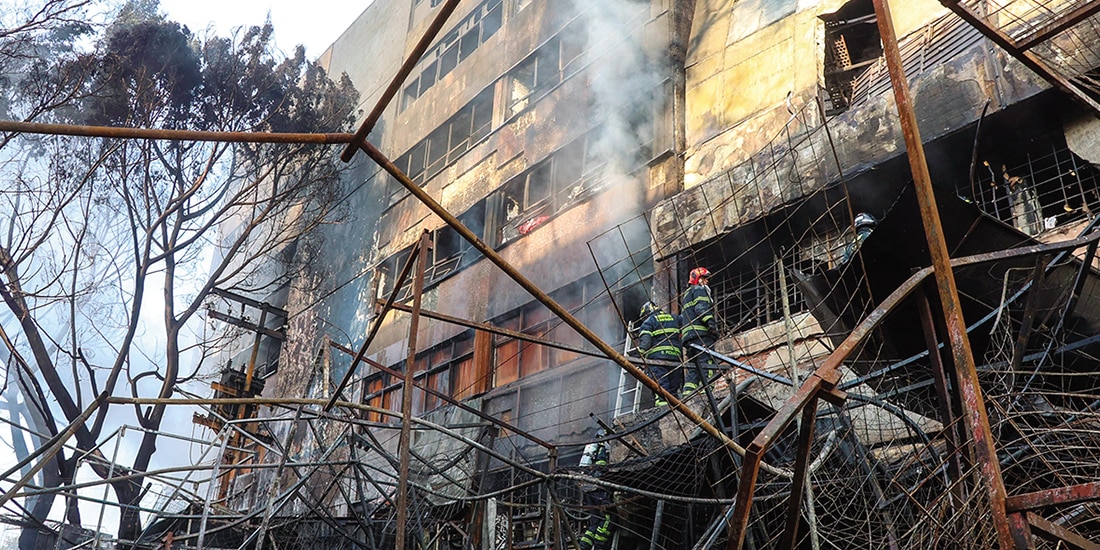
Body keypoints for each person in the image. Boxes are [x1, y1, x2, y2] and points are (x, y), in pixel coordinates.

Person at [680, 267, 718, 396]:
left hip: (689, 338)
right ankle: (707, 393)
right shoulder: (699, 290)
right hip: (701, 334)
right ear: (698, 279)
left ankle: (687, 395)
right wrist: (711, 323)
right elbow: (701, 308)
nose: (707, 282)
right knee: (708, 362)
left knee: (694, 368)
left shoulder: (687, 294)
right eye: (705, 279)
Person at [636, 301, 682, 406]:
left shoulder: (649, 321)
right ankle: (676, 409)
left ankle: (663, 412)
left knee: (661, 388)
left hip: (657, 360)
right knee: (673, 388)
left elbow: (646, 342)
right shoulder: (674, 318)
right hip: (675, 358)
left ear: (647, 313)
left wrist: (640, 355)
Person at [578, 431, 613, 550]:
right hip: (598, 486)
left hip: (588, 487)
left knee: (595, 521)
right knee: (608, 517)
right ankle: (600, 546)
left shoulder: (590, 449)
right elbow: (602, 465)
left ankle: (584, 546)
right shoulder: (602, 448)